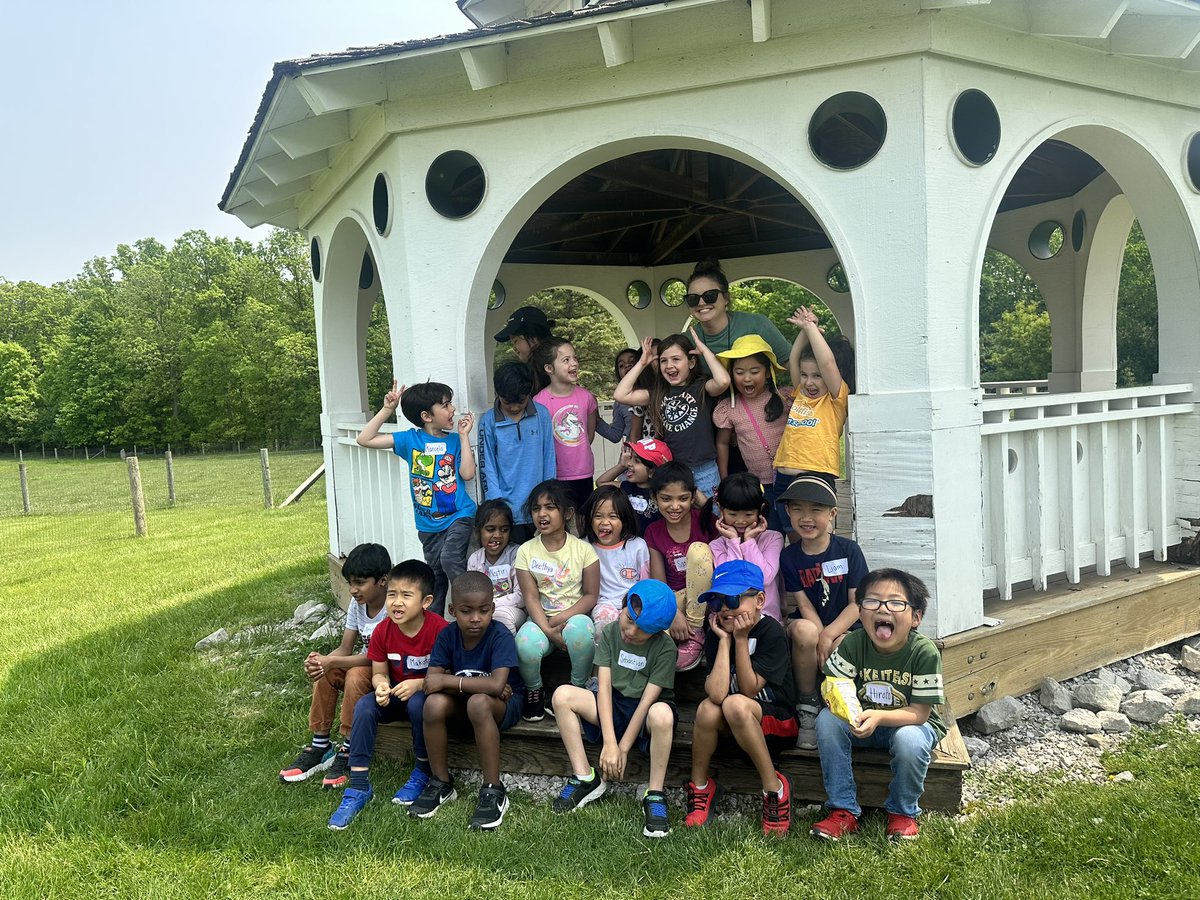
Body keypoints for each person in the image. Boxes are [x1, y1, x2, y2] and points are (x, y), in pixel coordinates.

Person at [810, 568, 946, 842]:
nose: (883, 608)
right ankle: (843, 810)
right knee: (826, 720)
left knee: (910, 740)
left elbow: (920, 713)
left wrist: (878, 717)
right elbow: (834, 684)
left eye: (896, 603)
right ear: (860, 613)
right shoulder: (853, 645)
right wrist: (841, 705)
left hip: (910, 724)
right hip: (861, 722)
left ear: (916, 617)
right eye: (872, 601)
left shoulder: (923, 652)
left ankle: (902, 812)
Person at [549, 578, 679, 838]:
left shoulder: (666, 649)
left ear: (656, 632)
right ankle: (585, 777)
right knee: (562, 695)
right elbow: (604, 688)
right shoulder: (610, 632)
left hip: (645, 711)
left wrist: (622, 748)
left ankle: (654, 794)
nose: (630, 631)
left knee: (662, 715)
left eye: (640, 630)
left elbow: (647, 702)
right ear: (623, 607)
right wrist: (609, 742)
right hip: (613, 702)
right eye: (629, 620)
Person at [326, 560, 447, 830]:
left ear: (426, 601)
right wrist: (380, 685)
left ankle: (422, 770)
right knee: (366, 705)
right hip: (394, 695)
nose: (396, 602)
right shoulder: (383, 630)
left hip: (425, 696)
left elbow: (444, 675)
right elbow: (379, 671)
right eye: (392, 594)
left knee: (418, 704)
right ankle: (358, 787)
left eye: (406, 595)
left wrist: (417, 684)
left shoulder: (438, 629)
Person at [685, 560, 798, 836]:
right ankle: (700, 787)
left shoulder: (770, 632)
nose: (725, 609)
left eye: (733, 599)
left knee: (735, 703)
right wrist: (724, 640)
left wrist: (740, 639)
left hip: (776, 722)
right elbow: (716, 693)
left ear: (759, 600)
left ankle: (774, 788)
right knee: (707, 709)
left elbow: (748, 690)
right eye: (718, 602)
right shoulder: (719, 632)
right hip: (736, 722)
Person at [412, 571, 525, 829]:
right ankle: (441, 783)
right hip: (468, 702)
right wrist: (478, 686)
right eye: (466, 611)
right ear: (452, 610)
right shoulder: (447, 636)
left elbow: (497, 686)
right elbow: (431, 684)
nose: (476, 618)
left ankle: (493, 790)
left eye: (484, 610)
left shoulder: (499, 636)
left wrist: (451, 681)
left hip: (503, 705)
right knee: (433, 704)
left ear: (493, 608)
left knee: (480, 702)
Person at [356, 379, 475, 616]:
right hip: (427, 525)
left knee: (450, 559)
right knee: (435, 576)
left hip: (459, 516)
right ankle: (436, 629)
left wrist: (463, 437)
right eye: (445, 405)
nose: (452, 410)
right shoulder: (410, 440)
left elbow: (467, 474)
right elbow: (364, 439)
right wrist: (387, 410)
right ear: (426, 416)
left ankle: (472, 609)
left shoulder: (453, 440)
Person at [279, 542, 392, 788]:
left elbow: (376, 658)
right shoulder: (358, 604)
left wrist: (333, 661)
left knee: (355, 675)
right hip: (364, 666)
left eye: (360, 582)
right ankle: (320, 745)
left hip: (386, 674)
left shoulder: (392, 608)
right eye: (350, 583)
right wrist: (321, 663)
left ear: (382, 581)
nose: (353, 590)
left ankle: (350, 748)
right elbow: (344, 648)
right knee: (327, 672)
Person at [778, 475, 868, 749]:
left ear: (832, 514)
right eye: (798, 509)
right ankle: (807, 705)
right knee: (804, 631)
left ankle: (839, 708)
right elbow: (803, 605)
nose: (806, 517)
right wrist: (819, 636)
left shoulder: (848, 550)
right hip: (810, 621)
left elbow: (857, 604)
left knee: (843, 643)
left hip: (843, 624)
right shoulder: (789, 556)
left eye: (815, 509)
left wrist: (828, 635)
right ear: (788, 512)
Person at [514, 480, 601, 721]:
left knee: (582, 632)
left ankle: (577, 689)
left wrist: (562, 618)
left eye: (550, 507)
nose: (542, 514)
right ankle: (534, 690)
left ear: (568, 513)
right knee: (524, 642)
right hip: (541, 620)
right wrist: (548, 628)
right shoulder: (526, 551)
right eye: (536, 508)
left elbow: (591, 595)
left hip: (573, 618)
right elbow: (530, 596)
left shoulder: (584, 550)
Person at [613, 331, 730, 499]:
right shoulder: (658, 393)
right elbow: (620, 395)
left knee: (709, 519)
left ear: (691, 362)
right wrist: (642, 363)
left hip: (704, 470)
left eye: (676, 359)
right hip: (672, 471)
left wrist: (705, 351)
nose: (669, 365)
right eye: (663, 361)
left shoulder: (700, 387)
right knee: (677, 518)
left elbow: (723, 381)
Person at [713, 335, 793, 533]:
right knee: (769, 532)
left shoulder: (784, 398)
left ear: (767, 373)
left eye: (754, 371)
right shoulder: (729, 408)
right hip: (760, 486)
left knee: (793, 528)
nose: (747, 378)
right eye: (739, 372)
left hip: (789, 479)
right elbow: (722, 444)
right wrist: (724, 479)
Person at [644, 461, 716, 671]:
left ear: (693, 497)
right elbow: (659, 581)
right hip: (674, 599)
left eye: (683, 499)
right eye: (666, 499)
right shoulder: (653, 531)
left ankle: (696, 630)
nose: (675, 506)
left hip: (706, 598)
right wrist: (674, 613)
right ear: (654, 498)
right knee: (650, 631)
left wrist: (703, 503)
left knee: (699, 550)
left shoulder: (706, 521)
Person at [773, 305, 848, 498]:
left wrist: (812, 329)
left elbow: (827, 363)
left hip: (816, 476)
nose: (808, 382)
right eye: (805, 375)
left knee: (814, 528)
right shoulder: (802, 394)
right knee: (786, 529)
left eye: (817, 376)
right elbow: (794, 357)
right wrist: (805, 330)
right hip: (783, 480)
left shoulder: (834, 399)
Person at [478, 361, 556, 544]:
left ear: (529, 393)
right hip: (506, 511)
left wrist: (548, 497)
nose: (514, 407)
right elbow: (486, 464)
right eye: (507, 402)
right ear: (498, 395)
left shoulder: (541, 414)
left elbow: (549, 458)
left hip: (538, 507)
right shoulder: (488, 421)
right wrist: (496, 506)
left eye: (521, 401)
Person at [683, 258, 791, 366]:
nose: (701, 303)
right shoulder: (685, 341)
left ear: (726, 298)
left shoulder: (757, 324)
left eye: (710, 295)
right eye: (693, 298)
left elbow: (791, 364)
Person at [532, 338, 598, 516]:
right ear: (549, 368)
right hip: (555, 476)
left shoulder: (587, 398)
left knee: (584, 521)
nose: (574, 363)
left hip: (583, 473)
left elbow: (589, 435)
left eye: (575, 358)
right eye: (566, 360)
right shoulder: (539, 402)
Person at [707, 473, 784, 622]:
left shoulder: (773, 538)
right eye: (733, 514)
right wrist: (734, 542)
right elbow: (731, 580)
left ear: (760, 510)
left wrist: (749, 542)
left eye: (748, 514)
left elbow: (764, 579)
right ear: (720, 509)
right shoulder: (716, 545)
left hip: (766, 619)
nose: (741, 521)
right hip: (730, 620)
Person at [582, 486, 650, 640]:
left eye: (613, 516)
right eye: (598, 516)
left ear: (624, 519)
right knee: (604, 625)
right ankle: (604, 663)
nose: (605, 522)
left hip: (634, 602)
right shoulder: (584, 547)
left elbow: (645, 584)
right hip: (603, 604)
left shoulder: (638, 545)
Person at [466, 500, 525, 635]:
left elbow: (521, 596)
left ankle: (508, 653)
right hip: (482, 610)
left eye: (504, 530)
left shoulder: (516, 554)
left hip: (514, 610)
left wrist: (491, 605)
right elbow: (472, 594)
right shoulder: (475, 559)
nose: (497, 535)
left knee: (500, 617)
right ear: (478, 531)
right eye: (490, 529)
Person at [596, 436, 671, 536]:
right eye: (630, 458)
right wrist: (621, 466)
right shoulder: (627, 487)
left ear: (652, 471)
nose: (629, 463)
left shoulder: (662, 494)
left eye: (636, 461)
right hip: (629, 545)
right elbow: (601, 483)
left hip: (652, 546)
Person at [595, 348, 644, 443]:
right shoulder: (620, 402)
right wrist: (595, 418)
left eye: (632, 361)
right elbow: (615, 435)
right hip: (632, 453)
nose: (627, 365)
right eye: (621, 365)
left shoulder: (655, 392)